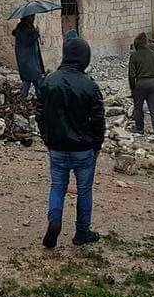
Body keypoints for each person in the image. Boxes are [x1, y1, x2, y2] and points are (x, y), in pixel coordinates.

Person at [35, 36, 106, 248]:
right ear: (85, 58)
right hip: (83, 149)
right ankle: (82, 232)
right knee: (84, 190)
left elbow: (40, 114)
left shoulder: (49, 81)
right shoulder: (90, 86)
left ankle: (54, 220)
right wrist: (97, 145)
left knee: (57, 186)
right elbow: (99, 120)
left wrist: (47, 139)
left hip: (57, 147)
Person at [128, 32, 154, 143]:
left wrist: (133, 88)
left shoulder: (134, 56)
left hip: (141, 83)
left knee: (138, 107)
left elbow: (131, 75)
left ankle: (139, 129)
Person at [13, 15, 45, 99]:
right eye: (31, 17)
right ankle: (42, 100)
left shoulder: (28, 27)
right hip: (27, 60)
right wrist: (36, 33)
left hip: (30, 59)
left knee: (27, 80)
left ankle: (23, 99)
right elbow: (26, 42)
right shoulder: (23, 29)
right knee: (36, 78)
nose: (33, 19)